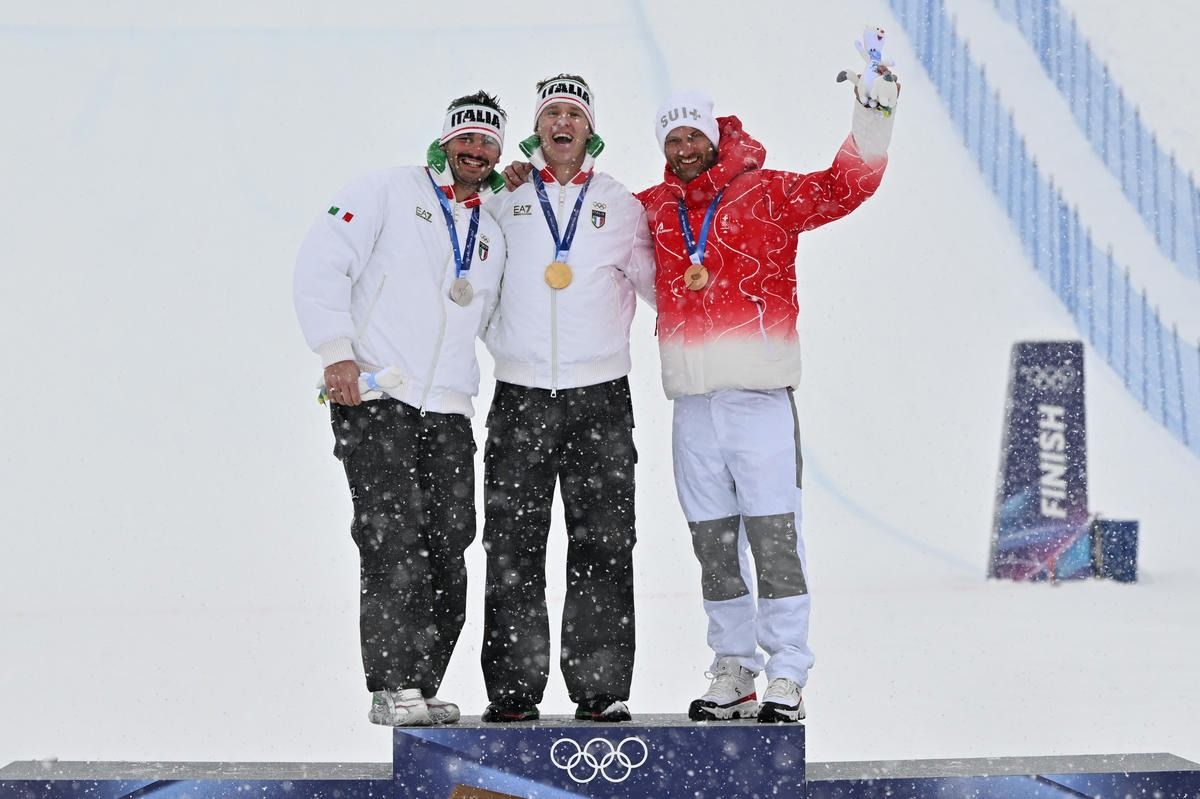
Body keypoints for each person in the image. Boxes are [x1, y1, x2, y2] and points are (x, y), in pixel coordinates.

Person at [635, 76, 899, 723]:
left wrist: (874, 112)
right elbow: (585, 217)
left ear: (714, 135)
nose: (684, 148)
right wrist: (516, 181)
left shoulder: (768, 192)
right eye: (673, 139)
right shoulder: (653, 209)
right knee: (714, 545)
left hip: (759, 399)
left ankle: (787, 669)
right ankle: (734, 667)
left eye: (693, 135)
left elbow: (845, 187)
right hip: (692, 405)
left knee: (774, 538)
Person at [293, 91, 509, 727]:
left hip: (448, 408)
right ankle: (391, 684)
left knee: (449, 542)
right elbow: (322, 263)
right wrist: (335, 352)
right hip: (377, 394)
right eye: (465, 138)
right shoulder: (385, 190)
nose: (475, 150)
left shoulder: (490, 232)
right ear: (444, 142)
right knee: (392, 538)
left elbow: (493, 318)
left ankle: (421, 682)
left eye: (487, 142)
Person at [479, 73, 654, 723]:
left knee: (604, 543)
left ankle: (600, 687)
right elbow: (462, 258)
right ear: (536, 128)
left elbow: (660, 285)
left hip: (600, 397)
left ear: (590, 129)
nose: (562, 122)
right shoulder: (504, 199)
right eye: (551, 112)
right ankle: (513, 689)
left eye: (573, 113)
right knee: (512, 546)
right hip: (520, 394)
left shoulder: (621, 204)